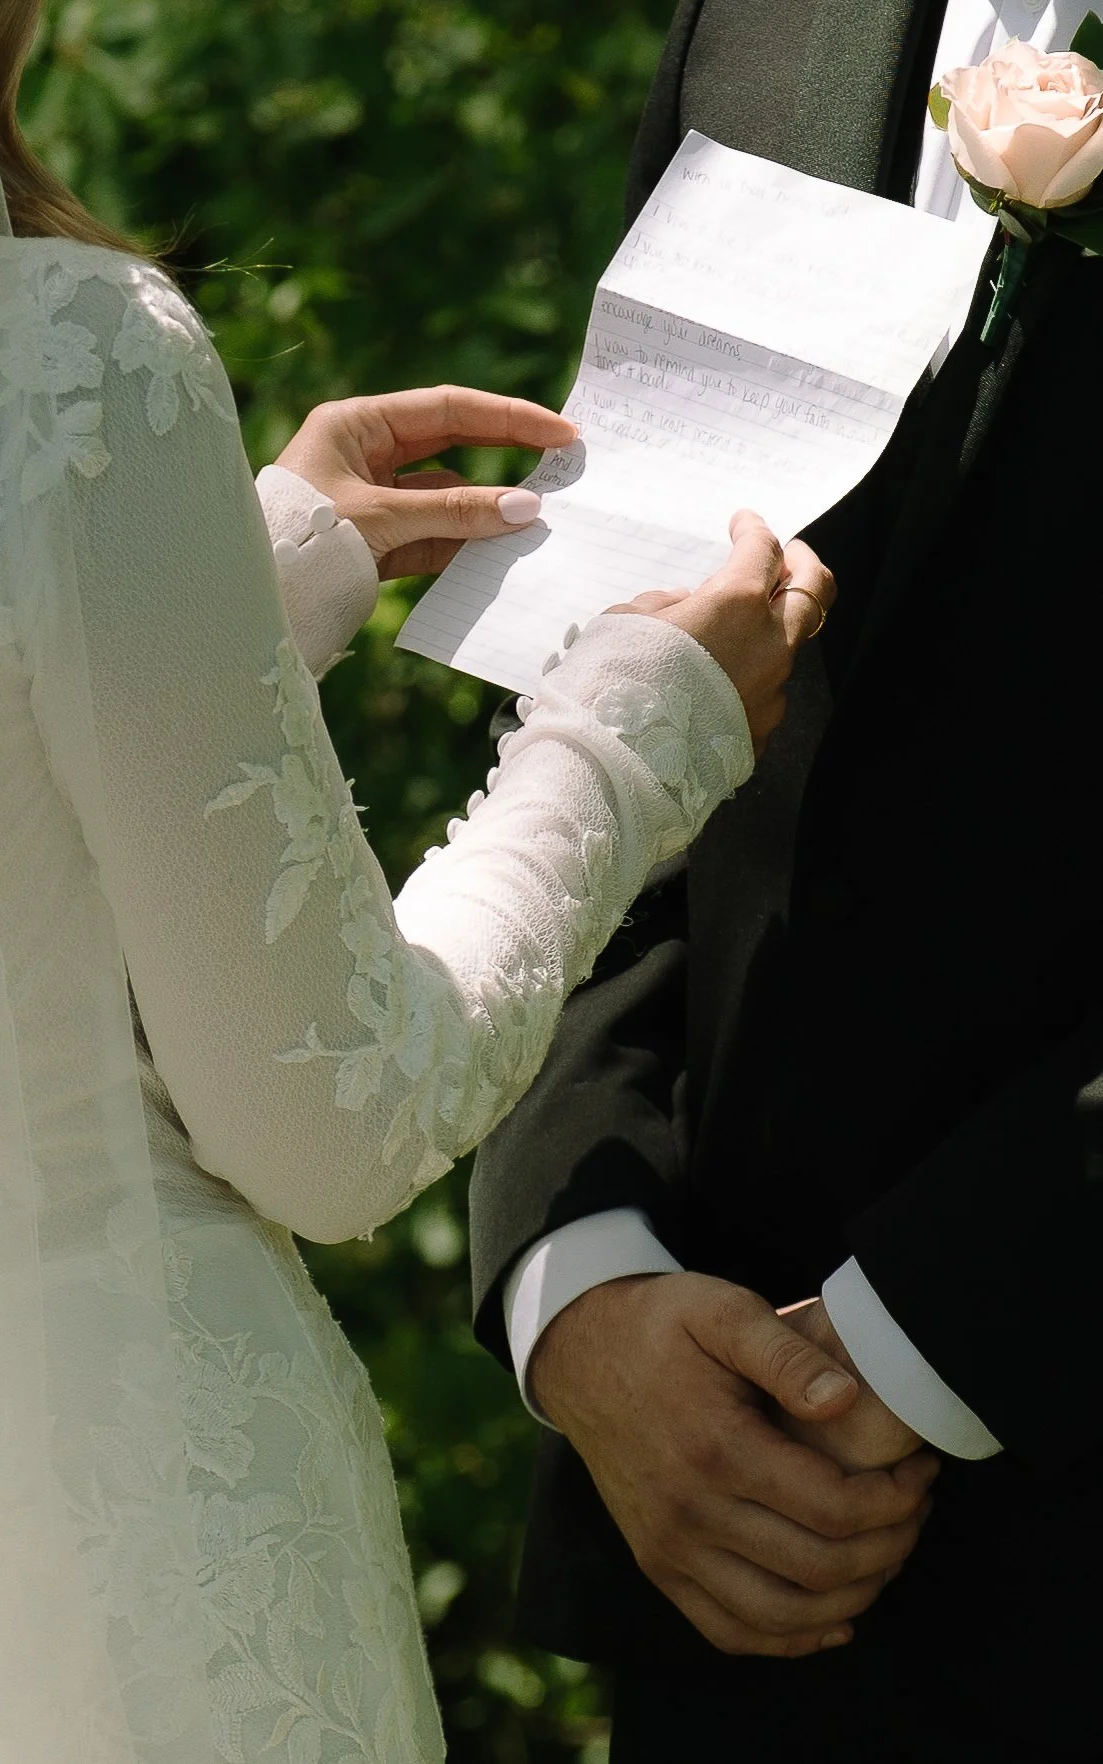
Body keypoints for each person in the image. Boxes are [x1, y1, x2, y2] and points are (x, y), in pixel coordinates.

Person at [0, 0, 864, 1757]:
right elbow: (338, 1111)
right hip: (139, 1584)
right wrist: (629, 734)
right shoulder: (58, 355)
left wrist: (245, 576)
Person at [469, 1, 1103, 1759]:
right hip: (712, 1521)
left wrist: (921, 1334)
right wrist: (579, 1270)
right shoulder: (762, 22)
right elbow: (627, 660)